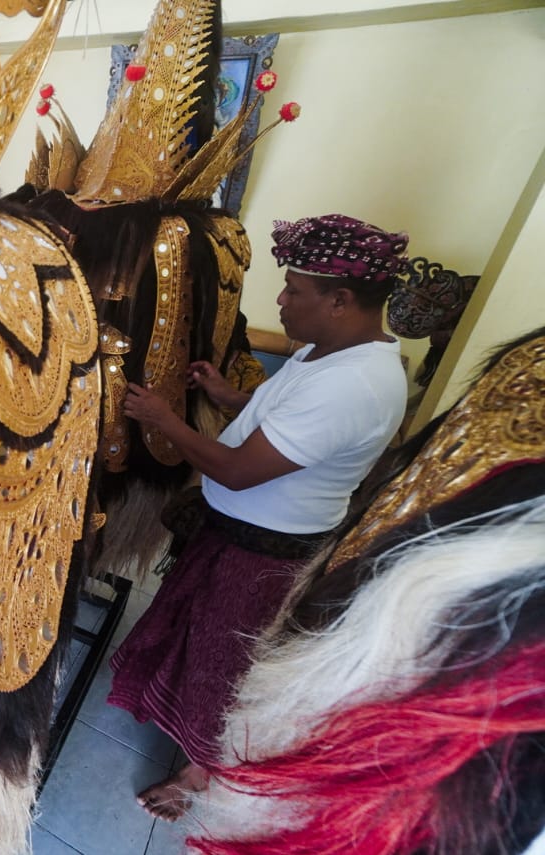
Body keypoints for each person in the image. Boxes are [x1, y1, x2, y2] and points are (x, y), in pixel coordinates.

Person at [107, 213, 411, 821]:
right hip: (239, 537)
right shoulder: (330, 352)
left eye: (295, 290)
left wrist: (166, 420)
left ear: (340, 299)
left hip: (264, 555)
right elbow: (288, 417)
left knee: (227, 669)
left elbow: (240, 470)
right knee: (203, 648)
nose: (282, 300)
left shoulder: (357, 384)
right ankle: (190, 744)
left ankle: (200, 777)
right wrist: (229, 397)